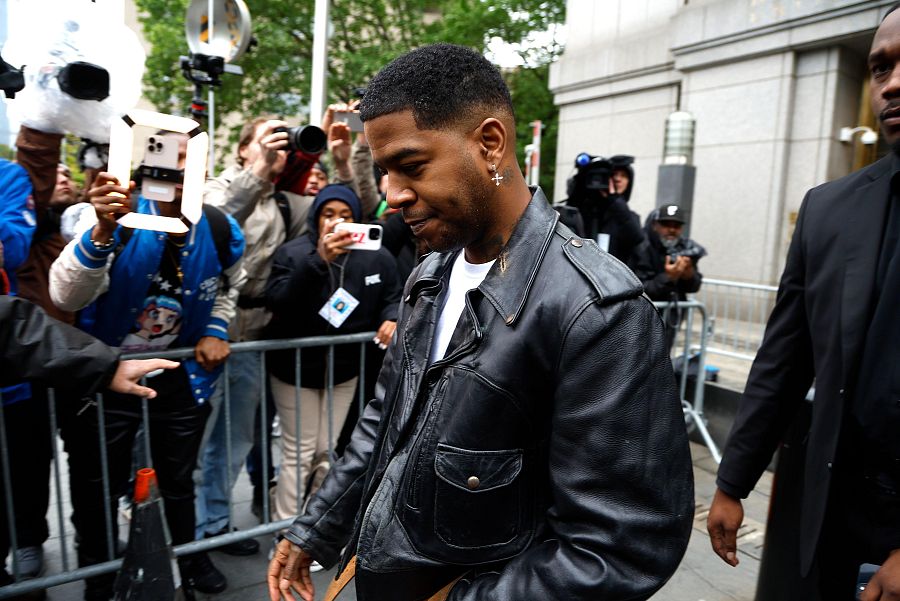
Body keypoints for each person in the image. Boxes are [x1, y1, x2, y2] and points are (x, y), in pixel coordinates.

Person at [267, 43, 693, 601]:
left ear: (489, 143)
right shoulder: (430, 274)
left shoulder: (597, 309)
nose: (392, 195)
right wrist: (316, 528)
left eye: (411, 166)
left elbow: (620, 550)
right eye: (384, 171)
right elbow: (386, 421)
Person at [706, 6, 900, 600]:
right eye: (880, 68)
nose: (891, 84)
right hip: (828, 523)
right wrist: (732, 481)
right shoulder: (829, 209)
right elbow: (784, 359)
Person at [49, 131, 246, 600]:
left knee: (178, 479)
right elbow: (65, 296)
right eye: (168, 161)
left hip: (179, 375)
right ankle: (100, 578)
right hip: (106, 377)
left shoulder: (219, 226)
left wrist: (217, 328)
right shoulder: (114, 217)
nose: (179, 171)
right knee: (97, 485)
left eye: (190, 162)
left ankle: (188, 559)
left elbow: (229, 286)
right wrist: (101, 232)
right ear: (146, 169)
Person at [0, 295, 179, 590]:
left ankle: (94, 545)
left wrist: (104, 366)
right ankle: (30, 542)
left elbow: (12, 325)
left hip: (70, 360)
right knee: (29, 465)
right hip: (35, 377)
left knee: (90, 468)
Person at [264, 183, 400, 525]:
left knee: (327, 450)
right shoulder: (294, 253)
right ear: (316, 218)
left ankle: (310, 528)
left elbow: (394, 295)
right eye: (328, 214)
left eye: (345, 215)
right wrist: (318, 261)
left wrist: (391, 316)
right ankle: (285, 529)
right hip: (295, 372)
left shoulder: (375, 255)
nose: (336, 222)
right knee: (299, 453)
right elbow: (279, 304)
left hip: (343, 372)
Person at [629, 204, 706, 351]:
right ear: (655, 225)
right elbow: (637, 287)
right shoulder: (642, 247)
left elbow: (694, 286)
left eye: (676, 226)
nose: (671, 230)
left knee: (663, 355)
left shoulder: (685, 248)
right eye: (666, 225)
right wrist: (668, 277)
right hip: (642, 317)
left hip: (671, 317)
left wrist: (689, 274)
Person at [555, 153, 644, 262]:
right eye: (614, 175)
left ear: (629, 182)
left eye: (623, 176)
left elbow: (637, 238)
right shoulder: (585, 209)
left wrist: (615, 200)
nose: (618, 179)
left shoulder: (627, 216)